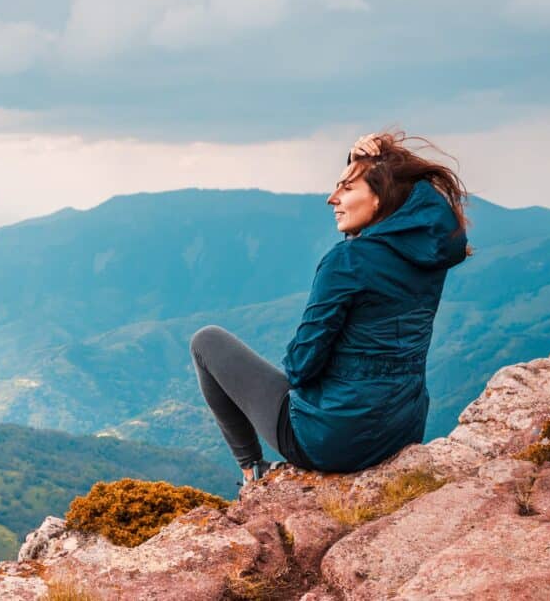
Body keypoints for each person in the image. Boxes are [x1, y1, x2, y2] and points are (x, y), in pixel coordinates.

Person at [190, 131, 472, 485]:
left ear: (380, 198)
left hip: (333, 441)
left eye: (346, 188)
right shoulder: (429, 257)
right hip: (401, 431)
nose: (331, 198)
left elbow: (301, 368)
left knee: (206, 341)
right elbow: (378, 258)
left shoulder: (346, 261)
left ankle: (252, 471)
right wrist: (360, 163)